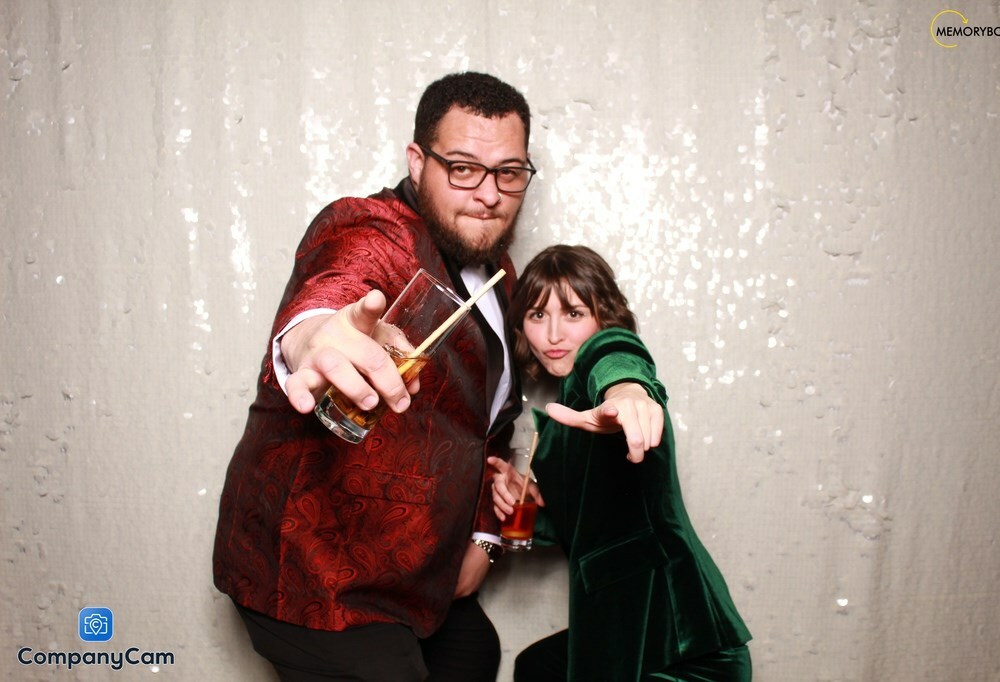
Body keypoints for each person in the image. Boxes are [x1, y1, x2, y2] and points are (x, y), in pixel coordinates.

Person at [213, 71, 534, 682]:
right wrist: (313, 336)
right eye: (463, 168)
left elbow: (488, 428)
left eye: (509, 172)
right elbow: (335, 288)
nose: (489, 194)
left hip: (420, 573)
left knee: (476, 656)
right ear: (417, 161)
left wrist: (486, 539)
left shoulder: (501, 276)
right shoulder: (369, 227)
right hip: (314, 573)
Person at [489, 244, 753, 682]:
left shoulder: (603, 363)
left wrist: (627, 391)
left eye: (573, 313)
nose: (553, 334)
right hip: (622, 632)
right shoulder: (563, 418)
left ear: (603, 318)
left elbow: (616, 355)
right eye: (537, 315)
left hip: (683, 649)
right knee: (535, 667)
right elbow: (597, 528)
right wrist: (534, 510)